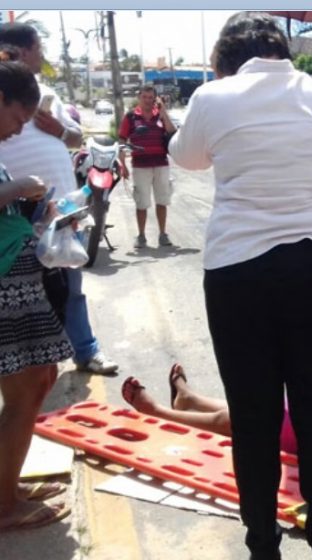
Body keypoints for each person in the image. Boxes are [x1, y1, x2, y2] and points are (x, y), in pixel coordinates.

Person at [168, 12, 312, 560]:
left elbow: (184, 158)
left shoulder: (214, 97)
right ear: (285, 51)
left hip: (240, 274)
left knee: (254, 421)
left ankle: (263, 546)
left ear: (227, 58)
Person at [0, 23, 118, 375]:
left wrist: (59, 129)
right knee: (25, 294)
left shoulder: (46, 93)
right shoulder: (10, 92)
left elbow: (75, 138)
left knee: (69, 285)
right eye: (38, 48)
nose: (20, 128)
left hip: (60, 206)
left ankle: (84, 350)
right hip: (16, 211)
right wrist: (19, 188)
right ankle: (31, 363)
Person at [0, 59, 74, 533]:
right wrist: (17, 189)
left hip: (19, 281)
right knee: (26, 389)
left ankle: (9, 483)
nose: (15, 132)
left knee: (41, 379)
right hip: (6, 287)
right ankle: (4, 504)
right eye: (16, 120)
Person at [120, 365, 312, 472]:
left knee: (235, 420)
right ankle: (189, 399)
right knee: (248, 406)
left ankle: (157, 412)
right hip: (307, 415)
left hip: (306, 434)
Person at [118, 84, 177, 248]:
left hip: (161, 164)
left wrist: (163, 111)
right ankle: (141, 236)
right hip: (140, 166)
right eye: (144, 97)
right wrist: (122, 164)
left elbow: (172, 132)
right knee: (141, 202)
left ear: (155, 99)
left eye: (151, 98)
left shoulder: (160, 115)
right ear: (139, 97)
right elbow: (122, 140)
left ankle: (163, 234)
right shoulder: (130, 117)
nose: (148, 101)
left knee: (162, 201)